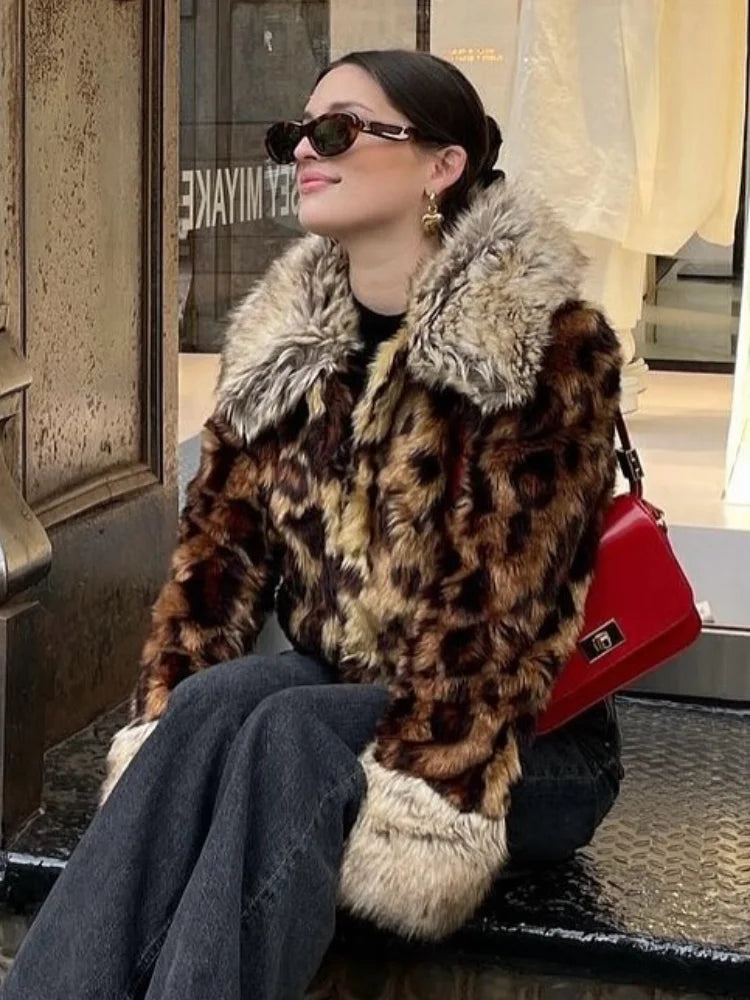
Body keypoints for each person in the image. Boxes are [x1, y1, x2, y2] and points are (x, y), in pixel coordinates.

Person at [2, 48, 625, 1000]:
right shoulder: (283, 344)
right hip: (339, 688)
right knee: (217, 707)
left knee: (286, 736)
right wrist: (172, 771)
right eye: (293, 132)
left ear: (440, 165)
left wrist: (423, 811)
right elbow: (212, 574)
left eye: (334, 131)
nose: (303, 150)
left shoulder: (538, 346)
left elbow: (492, 625)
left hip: (506, 741)